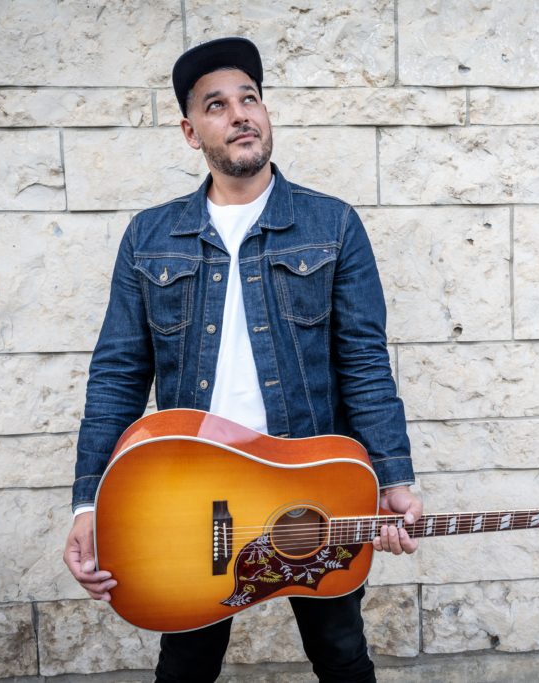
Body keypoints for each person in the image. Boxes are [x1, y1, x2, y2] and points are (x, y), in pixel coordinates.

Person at [62, 36, 421, 682]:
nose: (240, 114)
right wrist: (88, 503)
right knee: (186, 664)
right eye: (218, 105)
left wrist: (394, 478)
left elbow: (365, 363)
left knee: (341, 652)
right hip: (191, 493)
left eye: (250, 98)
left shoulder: (333, 226)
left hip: (312, 491)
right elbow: (116, 375)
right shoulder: (150, 237)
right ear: (190, 130)